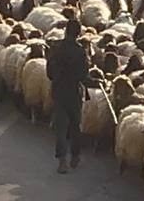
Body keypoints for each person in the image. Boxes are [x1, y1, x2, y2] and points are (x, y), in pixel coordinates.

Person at [46, 17, 90, 174]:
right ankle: (75, 156)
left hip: (59, 91)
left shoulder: (56, 48)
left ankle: (62, 161)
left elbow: (49, 72)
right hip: (74, 93)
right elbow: (84, 75)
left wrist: (57, 79)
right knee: (75, 125)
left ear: (65, 31)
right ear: (78, 34)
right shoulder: (80, 52)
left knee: (61, 127)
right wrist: (94, 82)